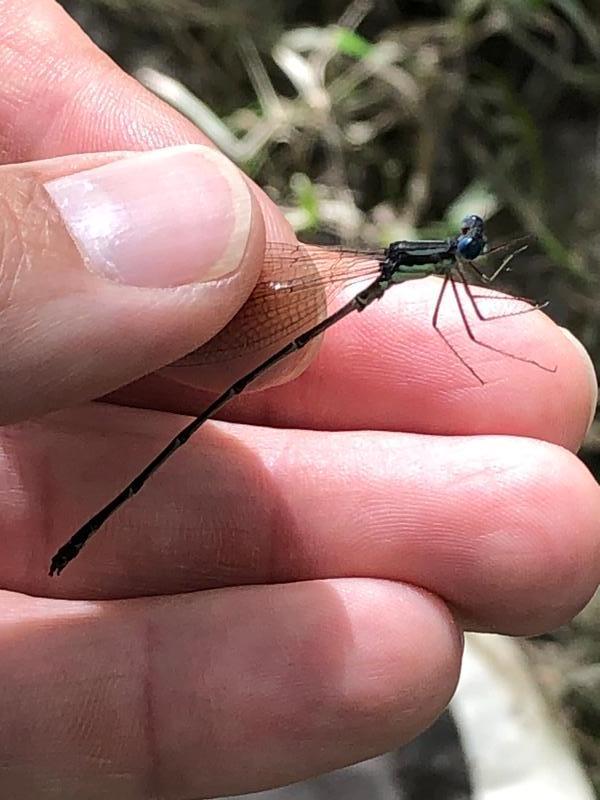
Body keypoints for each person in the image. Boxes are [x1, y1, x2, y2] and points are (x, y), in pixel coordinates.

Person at [0, 2, 598, 797]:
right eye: (466, 252)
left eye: (469, 252)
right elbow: (465, 317)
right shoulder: (418, 269)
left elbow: (462, 299)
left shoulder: (437, 265)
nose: (469, 257)